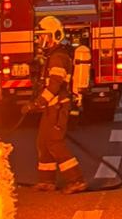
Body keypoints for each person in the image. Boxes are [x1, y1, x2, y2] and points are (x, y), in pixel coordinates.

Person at [32, 17, 85, 193]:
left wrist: (39, 102)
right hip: (51, 107)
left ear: (54, 36)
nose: (39, 40)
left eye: (43, 36)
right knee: (43, 142)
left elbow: (55, 85)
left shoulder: (58, 57)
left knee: (54, 142)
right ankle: (47, 181)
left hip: (58, 107)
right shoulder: (51, 56)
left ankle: (76, 180)